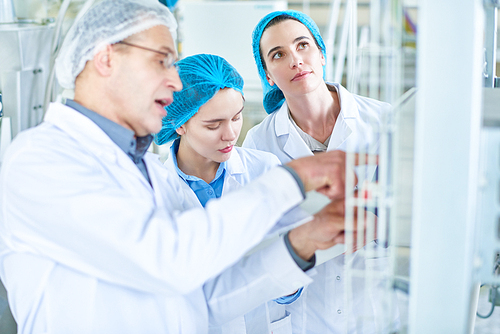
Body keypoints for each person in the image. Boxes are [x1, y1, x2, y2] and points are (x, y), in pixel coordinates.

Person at [0, 2, 363, 333]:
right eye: (161, 61)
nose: (174, 83)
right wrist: (289, 180)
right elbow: (169, 258)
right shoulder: (41, 160)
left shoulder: (148, 172)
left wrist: (302, 244)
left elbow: (204, 299)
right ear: (105, 58)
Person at [243, 10, 398, 334]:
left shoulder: (385, 120)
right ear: (268, 75)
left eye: (303, 45)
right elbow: (262, 232)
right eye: (278, 54)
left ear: (321, 53)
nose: (296, 60)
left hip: (374, 301)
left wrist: (381, 226)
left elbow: (416, 210)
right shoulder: (260, 141)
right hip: (307, 313)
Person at [155, 53, 312, 333]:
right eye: (213, 125)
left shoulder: (265, 170)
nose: (230, 134)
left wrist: (288, 277)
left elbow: (292, 274)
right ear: (180, 123)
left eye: (236, 118)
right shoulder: (155, 187)